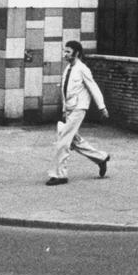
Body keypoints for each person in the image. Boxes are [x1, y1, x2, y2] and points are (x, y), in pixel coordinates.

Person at [47, 40, 111, 185]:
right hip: (69, 109)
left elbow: (93, 88)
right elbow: (65, 91)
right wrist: (64, 110)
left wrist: (102, 107)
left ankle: (60, 175)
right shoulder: (68, 68)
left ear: (77, 53)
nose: (65, 54)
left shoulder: (83, 69)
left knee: (63, 140)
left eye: (68, 52)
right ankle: (101, 158)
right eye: (65, 51)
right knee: (74, 141)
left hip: (79, 108)